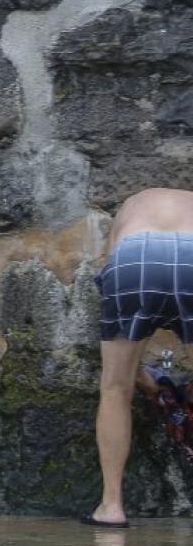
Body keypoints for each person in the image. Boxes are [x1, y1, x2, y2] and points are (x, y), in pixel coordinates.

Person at [87, 187, 193, 527]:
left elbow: (108, 280)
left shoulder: (130, 210)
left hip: (135, 254)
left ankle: (111, 507)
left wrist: (140, 378)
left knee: (114, 389)